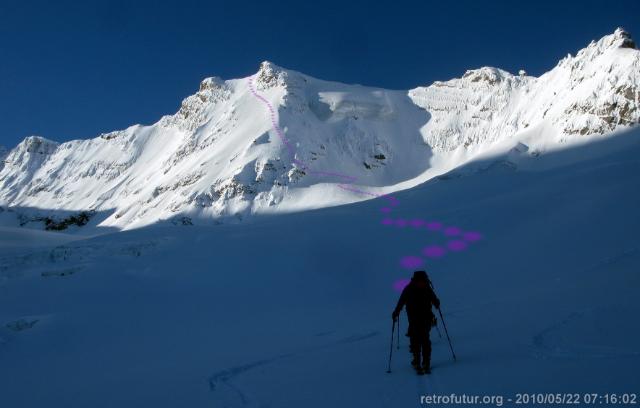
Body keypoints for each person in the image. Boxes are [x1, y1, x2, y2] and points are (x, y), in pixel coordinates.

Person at [391, 270, 440, 374]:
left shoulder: (409, 289)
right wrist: (436, 303)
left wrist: (396, 313)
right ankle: (425, 362)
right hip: (422, 317)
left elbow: (401, 302)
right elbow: (434, 299)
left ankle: (418, 361)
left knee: (417, 339)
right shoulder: (426, 287)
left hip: (415, 318)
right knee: (423, 339)